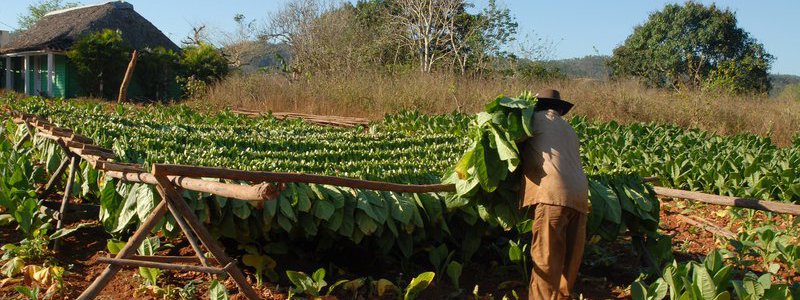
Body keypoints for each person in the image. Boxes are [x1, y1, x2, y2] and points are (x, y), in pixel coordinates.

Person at [519, 89, 589, 299]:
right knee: (569, 263)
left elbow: (509, 148)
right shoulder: (569, 128)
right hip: (581, 195)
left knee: (546, 260)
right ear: (559, 109)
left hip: (552, 195)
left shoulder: (532, 122)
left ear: (536, 106)